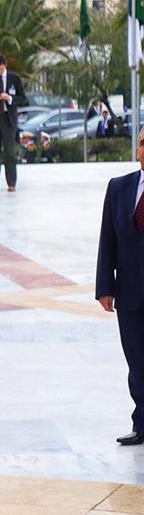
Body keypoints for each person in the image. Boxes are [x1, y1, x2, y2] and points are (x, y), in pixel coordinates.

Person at [96, 134, 144, 446]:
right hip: (130, 292)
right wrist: (104, 287)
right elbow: (108, 239)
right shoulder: (119, 187)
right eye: (142, 142)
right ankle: (141, 423)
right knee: (137, 360)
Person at [0, 53, 28, 193]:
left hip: (8, 119)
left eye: (1, 68)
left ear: (5, 65)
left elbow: (23, 99)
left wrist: (9, 98)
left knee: (9, 151)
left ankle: (11, 183)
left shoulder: (15, 78)